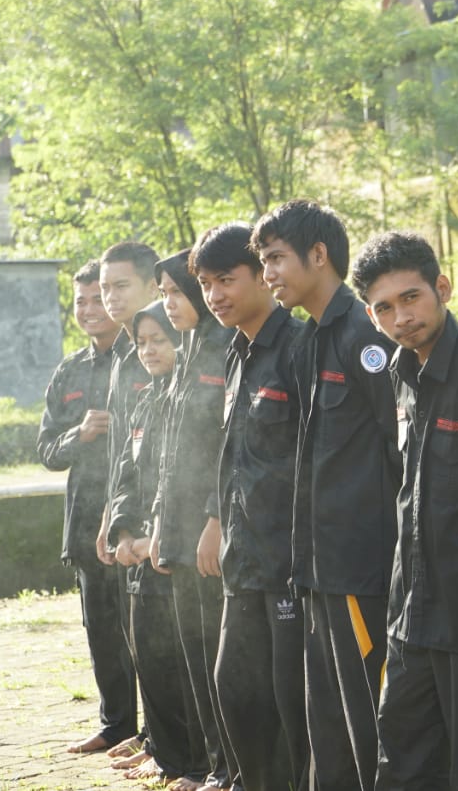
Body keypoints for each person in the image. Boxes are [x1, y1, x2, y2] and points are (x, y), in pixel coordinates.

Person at [351, 232, 458, 791]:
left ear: (442, 288)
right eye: (384, 308)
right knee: (402, 761)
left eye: (411, 298)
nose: (401, 318)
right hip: (413, 613)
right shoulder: (398, 372)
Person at [251, 199, 400, 791]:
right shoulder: (309, 339)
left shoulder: (365, 334)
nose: (268, 274)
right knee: (328, 723)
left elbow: (399, 446)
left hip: (360, 566)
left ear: (318, 255)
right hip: (317, 567)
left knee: (369, 720)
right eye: (264, 262)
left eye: (276, 259)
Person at [192, 224, 309, 791]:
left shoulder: (301, 347)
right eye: (206, 284)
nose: (214, 295)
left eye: (225, 280)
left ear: (263, 275)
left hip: (289, 562)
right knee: (235, 687)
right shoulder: (236, 352)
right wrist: (216, 520)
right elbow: (235, 452)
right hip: (244, 558)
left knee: (292, 703)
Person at [37, 259, 138, 755]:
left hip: (134, 522)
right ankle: (116, 725)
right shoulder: (70, 370)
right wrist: (79, 435)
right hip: (84, 524)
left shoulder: (143, 353)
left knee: (147, 631)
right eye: (81, 301)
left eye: (99, 297)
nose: (91, 308)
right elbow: (47, 451)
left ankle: (162, 735)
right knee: (101, 630)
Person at [106, 301, 204, 784]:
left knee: (184, 663)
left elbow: (187, 480)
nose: (148, 350)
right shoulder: (147, 400)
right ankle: (164, 752)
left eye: (158, 340)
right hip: (140, 551)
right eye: (141, 342)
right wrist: (124, 530)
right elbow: (128, 473)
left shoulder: (191, 396)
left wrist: (155, 539)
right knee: (149, 654)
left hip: (174, 549)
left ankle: (195, 761)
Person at [152, 248, 238, 791]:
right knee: (193, 653)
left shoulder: (226, 347)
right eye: (164, 294)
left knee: (218, 657)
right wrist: (161, 525)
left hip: (212, 528)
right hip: (180, 529)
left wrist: (214, 516)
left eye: (176, 292)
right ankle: (210, 765)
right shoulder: (186, 352)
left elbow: (228, 447)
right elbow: (170, 454)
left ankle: (231, 767)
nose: (170, 303)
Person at [93, 240, 160, 769]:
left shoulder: (162, 347)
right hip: (125, 517)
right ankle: (151, 736)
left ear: (152, 285)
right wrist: (109, 519)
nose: (109, 298)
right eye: (103, 288)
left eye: (121, 286)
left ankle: (167, 744)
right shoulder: (122, 352)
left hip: (158, 522)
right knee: (137, 637)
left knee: (164, 643)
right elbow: (123, 450)